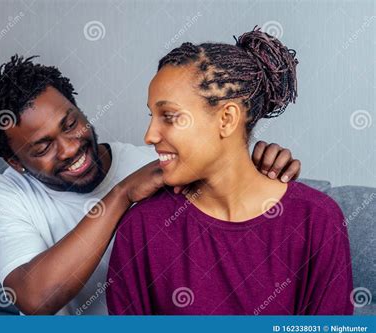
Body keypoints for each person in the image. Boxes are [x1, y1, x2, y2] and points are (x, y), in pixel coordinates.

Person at [0, 54, 301, 315]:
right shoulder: (6, 195)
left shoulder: (160, 165)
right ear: (16, 163)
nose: (69, 148)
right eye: (42, 147)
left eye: (71, 124)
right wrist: (122, 194)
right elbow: (35, 299)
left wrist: (256, 170)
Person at [106, 28, 353, 315]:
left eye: (169, 117)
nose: (149, 135)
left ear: (226, 119)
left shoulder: (317, 219)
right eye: (152, 116)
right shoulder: (141, 228)